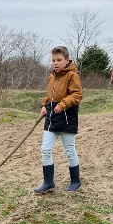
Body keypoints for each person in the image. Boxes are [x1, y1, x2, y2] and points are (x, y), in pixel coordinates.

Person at [34, 46, 84, 193]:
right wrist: (44, 105)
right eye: (53, 60)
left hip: (67, 117)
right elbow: (50, 96)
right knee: (45, 149)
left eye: (59, 60)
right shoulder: (52, 76)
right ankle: (48, 182)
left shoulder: (72, 76)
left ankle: (76, 181)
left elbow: (77, 95)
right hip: (51, 117)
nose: (55, 63)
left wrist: (63, 105)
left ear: (67, 60)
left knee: (69, 150)